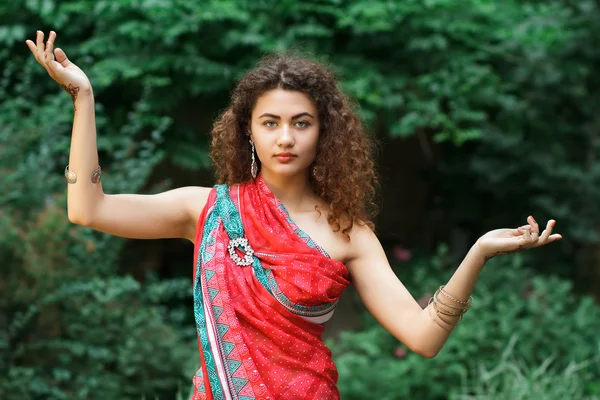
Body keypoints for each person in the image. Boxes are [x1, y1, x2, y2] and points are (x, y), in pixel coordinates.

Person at [26, 30, 562, 400]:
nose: (285, 137)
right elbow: (88, 209)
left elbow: (422, 338)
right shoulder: (208, 209)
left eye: (302, 122)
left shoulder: (350, 235)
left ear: (324, 133)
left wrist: (480, 252)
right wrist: (83, 98)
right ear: (249, 131)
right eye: (271, 122)